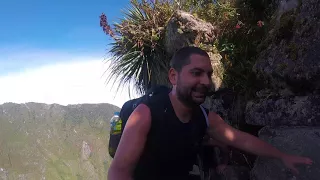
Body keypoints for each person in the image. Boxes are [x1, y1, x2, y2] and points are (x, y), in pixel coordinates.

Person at [108, 46, 313, 180]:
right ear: (173, 76)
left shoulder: (205, 117)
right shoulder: (146, 114)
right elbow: (119, 172)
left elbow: (240, 139)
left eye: (208, 74)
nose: (206, 82)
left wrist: (282, 155)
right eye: (196, 73)